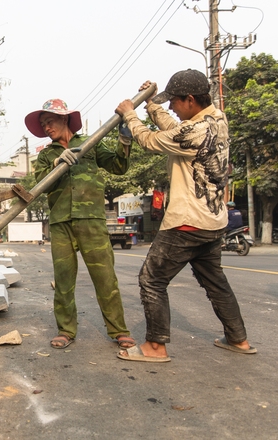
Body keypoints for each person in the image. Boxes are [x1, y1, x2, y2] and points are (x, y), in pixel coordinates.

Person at [115, 69, 256, 362]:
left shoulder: (195, 131)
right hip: (213, 222)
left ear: (190, 100)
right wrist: (151, 104)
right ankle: (238, 339)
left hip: (187, 222)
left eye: (175, 102)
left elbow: (152, 140)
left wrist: (131, 113)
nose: (171, 108)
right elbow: (174, 128)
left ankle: (155, 347)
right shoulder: (215, 121)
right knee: (215, 282)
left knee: (151, 280)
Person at [27, 98, 136, 350]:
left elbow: (119, 166)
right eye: (43, 124)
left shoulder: (91, 143)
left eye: (50, 121)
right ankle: (66, 330)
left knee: (105, 277)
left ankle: (119, 330)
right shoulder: (45, 155)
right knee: (63, 280)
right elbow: (39, 186)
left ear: (65, 119)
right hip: (61, 221)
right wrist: (57, 163)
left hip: (91, 220)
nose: (46, 127)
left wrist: (125, 138)